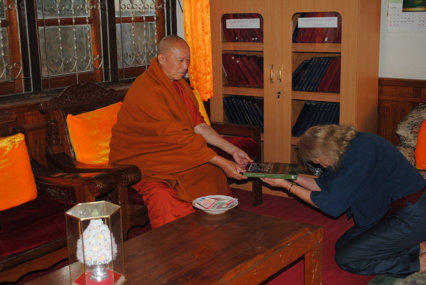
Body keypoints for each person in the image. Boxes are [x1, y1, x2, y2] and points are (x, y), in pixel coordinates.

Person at [109, 35, 251, 229]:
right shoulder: (147, 90)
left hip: (173, 153)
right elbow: (176, 136)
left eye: (188, 61)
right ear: (162, 59)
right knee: (163, 196)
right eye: (180, 61)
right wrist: (222, 161)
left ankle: (215, 232)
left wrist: (232, 150)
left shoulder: (179, 85)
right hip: (142, 159)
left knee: (212, 174)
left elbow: (199, 126)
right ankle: (179, 244)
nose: (185, 67)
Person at [261, 124, 426, 277]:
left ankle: (417, 263)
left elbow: (332, 204)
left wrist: (286, 186)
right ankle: (416, 246)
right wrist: (292, 177)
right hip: (389, 210)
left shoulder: (361, 153)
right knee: (344, 244)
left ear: (327, 150)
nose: (323, 167)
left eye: (320, 162)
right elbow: (324, 186)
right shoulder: (343, 147)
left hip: (412, 214)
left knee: (348, 259)